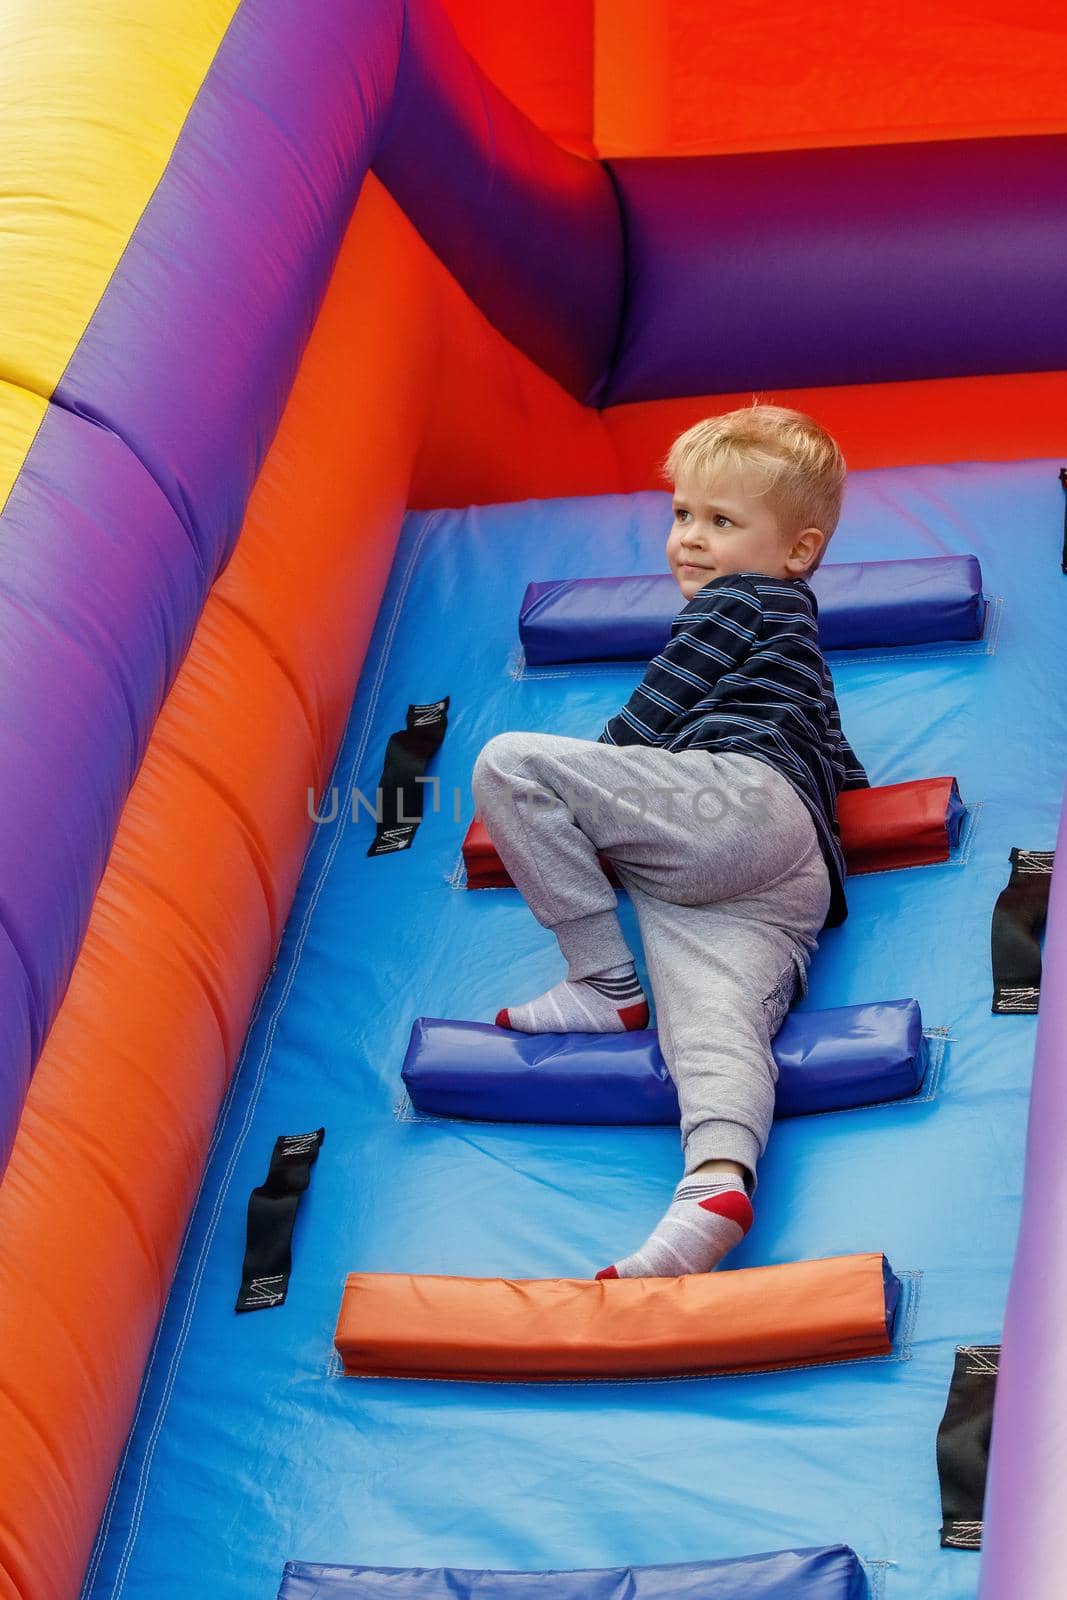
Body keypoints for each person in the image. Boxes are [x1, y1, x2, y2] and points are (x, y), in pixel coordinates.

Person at [470, 402, 869, 1278]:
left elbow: (658, 707)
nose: (688, 538)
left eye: (721, 521)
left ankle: (605, 981)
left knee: (510, 762)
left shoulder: (737, 599)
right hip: (783, 873)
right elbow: (833, 747)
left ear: (797, 549)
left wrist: (589, 791)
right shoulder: (797, 624)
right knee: (715, 1029)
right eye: (682, 513)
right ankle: (715, 1183)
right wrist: (855, 800)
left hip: (729, 808)